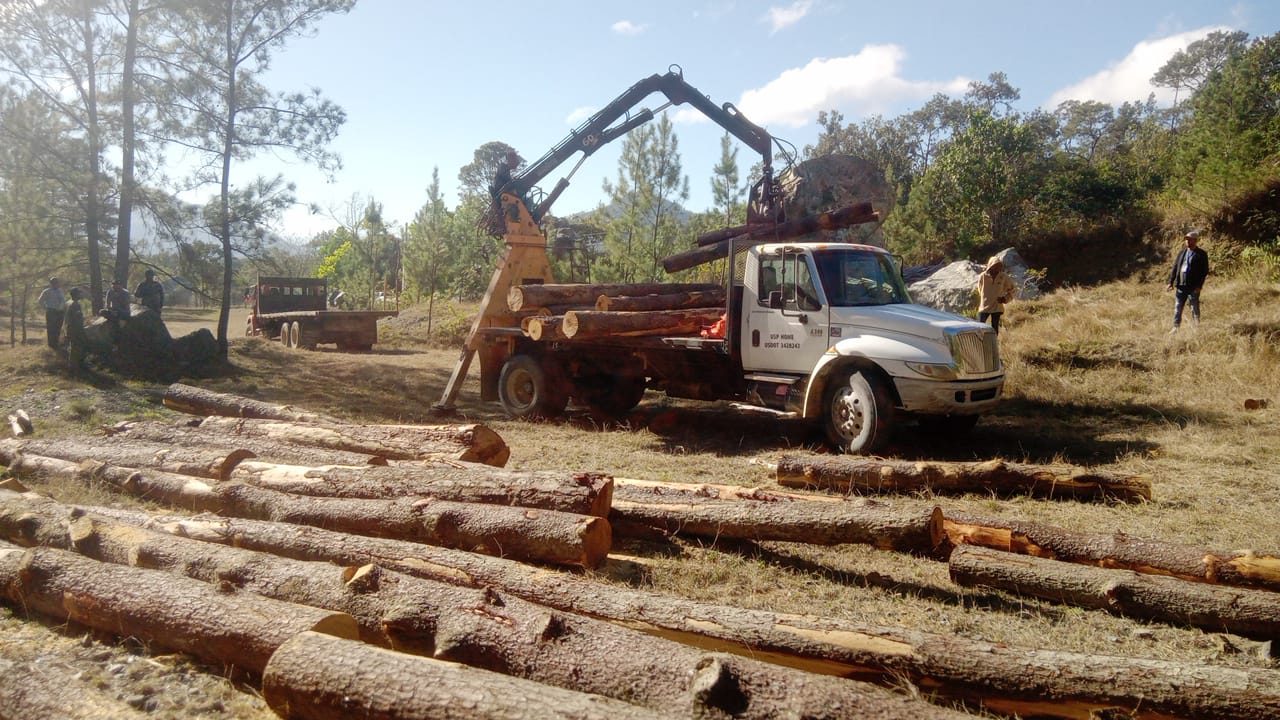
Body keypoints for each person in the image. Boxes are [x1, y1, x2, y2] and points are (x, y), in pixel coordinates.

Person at [1166, 229, 1209, 333]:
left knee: (1194, 307)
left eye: (1190, 240)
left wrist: (1199, 285)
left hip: (1193, 286)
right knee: (1178, 306)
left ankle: (1196, 327)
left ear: (1195, 240)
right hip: (1181, 285)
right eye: (1186, 240)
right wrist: (1170, 282)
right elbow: (1175, 267)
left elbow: (1204, 271)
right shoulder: (1182, 253)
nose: (1187, 242)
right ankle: (1176, 327)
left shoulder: (1201, 254)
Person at [976, 256, 1016, 334]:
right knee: (979, 327)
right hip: (984, 306)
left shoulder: (1003, 277)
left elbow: (1012, 289)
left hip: (997, 306)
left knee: (994, 328)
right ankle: (980, 344)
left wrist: (1005, 299)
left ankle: (994, 344)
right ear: (990, 265)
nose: (997, 268)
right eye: (995, 265)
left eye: (999, 266)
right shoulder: (983, 276)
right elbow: (980, 289)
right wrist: (986, 298)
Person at [36, 276, 65, 349]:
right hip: (51, 312)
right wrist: (46, 307)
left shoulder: (60, 291)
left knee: (58, 328)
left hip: (60, 312)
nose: (56, 284)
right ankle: (51, 345)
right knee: (51, 328)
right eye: (54, 283)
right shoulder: (47, 291)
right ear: (51, 283)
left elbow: (62, 301)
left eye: (57, 282)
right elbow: (40, 301)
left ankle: (56, 343)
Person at [63, 287, 88, 373]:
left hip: (67, 327)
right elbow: (77, 318)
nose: (81, 295)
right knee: (76, 347)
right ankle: (74, 368)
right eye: (79, 293)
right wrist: (81, 330)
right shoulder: (75, 304)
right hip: (75, 328)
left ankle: (71, 366)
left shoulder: (67, 303)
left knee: (71, 346)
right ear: (76, 294)